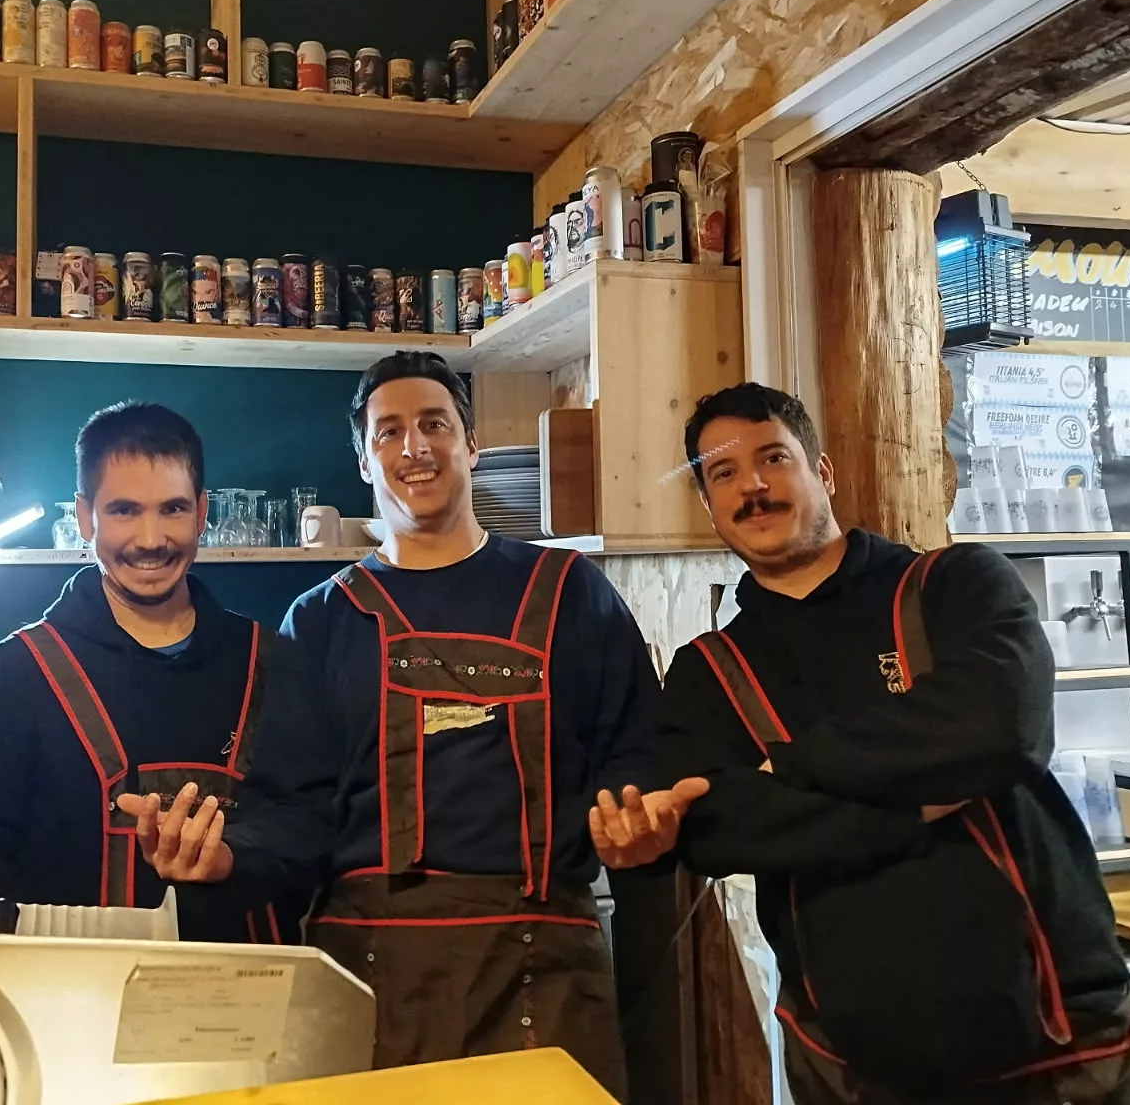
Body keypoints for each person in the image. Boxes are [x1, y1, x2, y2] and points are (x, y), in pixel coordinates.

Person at [118, 352, 707, 1093]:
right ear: (364, 462)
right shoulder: (323, 619)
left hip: (547, 970)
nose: (414, 447)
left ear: (472, 445)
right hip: (367, 975)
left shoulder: (572, 593)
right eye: (388, 431)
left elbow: (635, 754)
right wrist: (225, 859)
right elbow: (295, 811)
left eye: (435, 424)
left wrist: (636, 820)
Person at [657, 382, 1130, 1104]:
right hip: (849, 1060)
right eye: (724, 473)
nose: (752, 487)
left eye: (773, 458)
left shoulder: (956, 584)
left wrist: (788, 766)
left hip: (1061, 1040)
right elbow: (714, 828)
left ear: (822, 472)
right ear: (707, 503)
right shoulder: (708, 671)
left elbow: (1004, 728)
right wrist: (918, 802)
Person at [0, 402, 305, 943]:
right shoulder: (20, 672)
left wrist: (231, 858)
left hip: (246, 986)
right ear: (85, 517)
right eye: (124, 511)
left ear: (202, 513)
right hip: (67, 986)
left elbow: (306, 822)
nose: (151, 539)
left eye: (173, 509)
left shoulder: (271, 660)